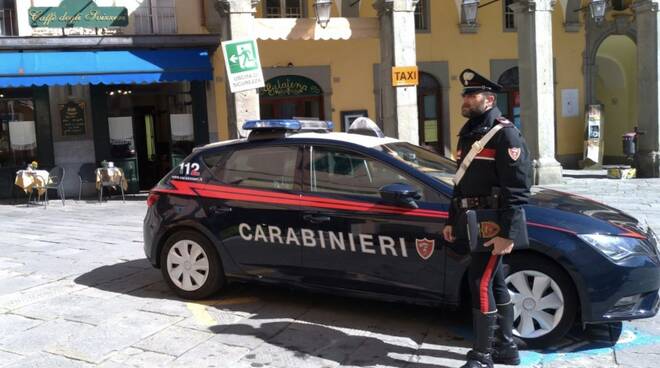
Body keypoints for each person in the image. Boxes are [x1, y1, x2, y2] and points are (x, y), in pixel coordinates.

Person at [443, 69, 532, 368]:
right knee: (493, 282)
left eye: (472, 95)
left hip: (493, 221)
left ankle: (482, 356)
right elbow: (461, 184)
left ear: (489, 98)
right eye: (465, 95)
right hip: (473, 219)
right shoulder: (471, 131)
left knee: (479, 281)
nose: (465, 99)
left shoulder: (504, 133)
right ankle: (506, 349)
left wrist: (508, 232)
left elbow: (518, 188)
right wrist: (450, 220)